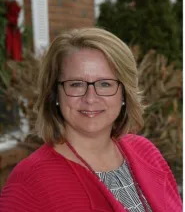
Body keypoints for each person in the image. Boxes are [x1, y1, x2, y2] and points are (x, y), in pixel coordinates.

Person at [0, 27, 182, 212]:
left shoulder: (146, 152)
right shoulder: (30, 180)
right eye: (76, 84)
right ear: (55, 94)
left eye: (105, 84)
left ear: (124, 94)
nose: (90, 98)